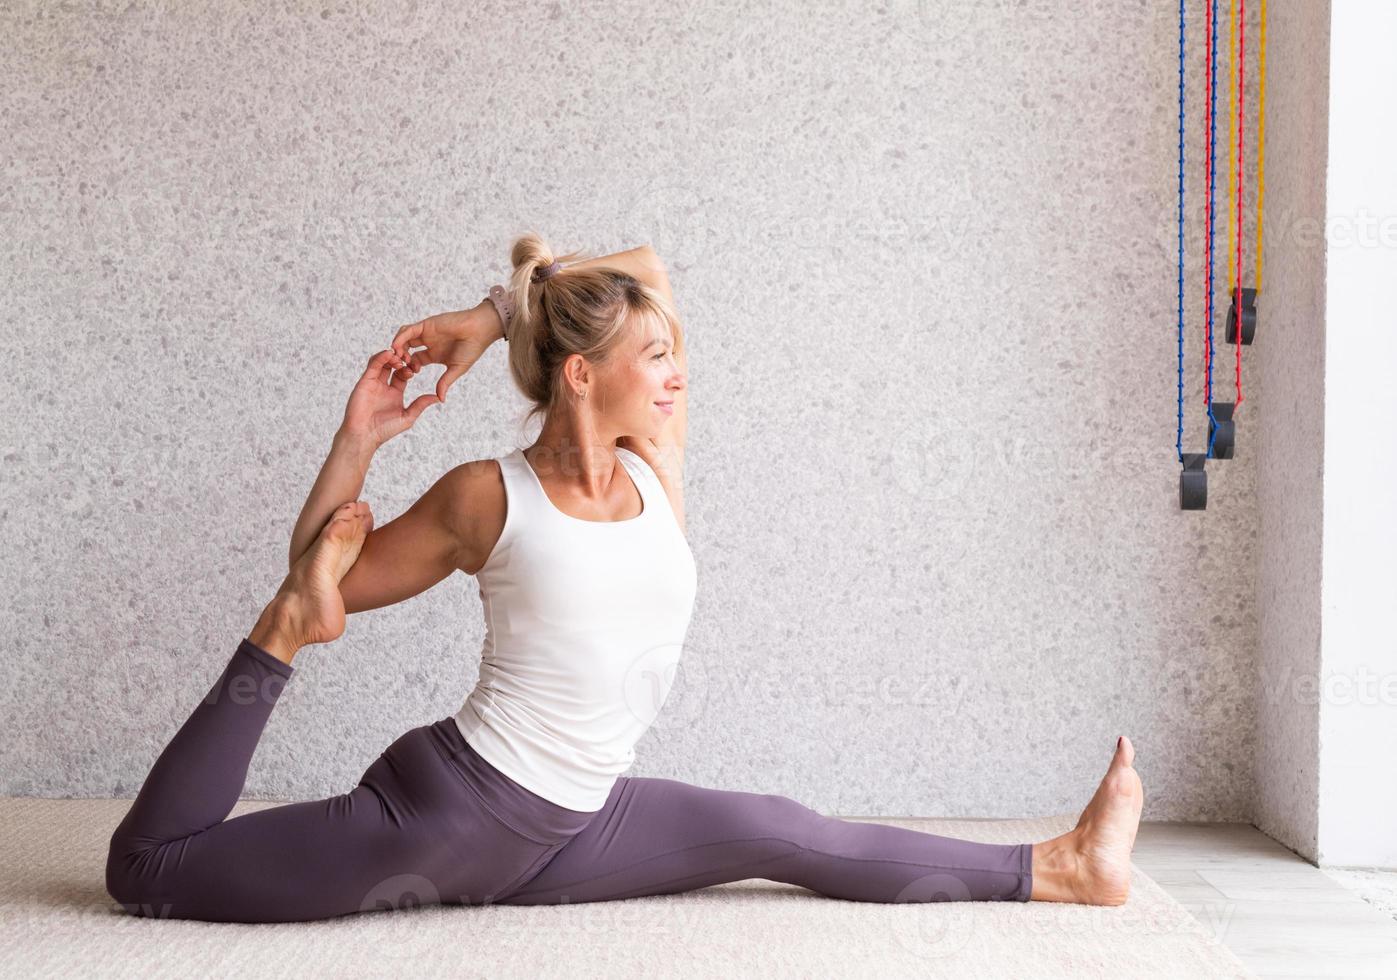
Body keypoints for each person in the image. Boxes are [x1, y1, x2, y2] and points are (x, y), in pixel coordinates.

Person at [105, 235, 1144, 923]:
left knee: (784, 826)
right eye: (654, 355)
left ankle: (1058, 865)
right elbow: (321, 569)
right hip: (455, 817)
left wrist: (490, 311)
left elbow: (640, 260)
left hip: (576, 814)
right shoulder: (486, 496)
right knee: (146, 869)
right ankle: (271, 644)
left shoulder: (658, 463)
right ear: (581, 375)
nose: (676, 371)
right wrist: (356, 438)